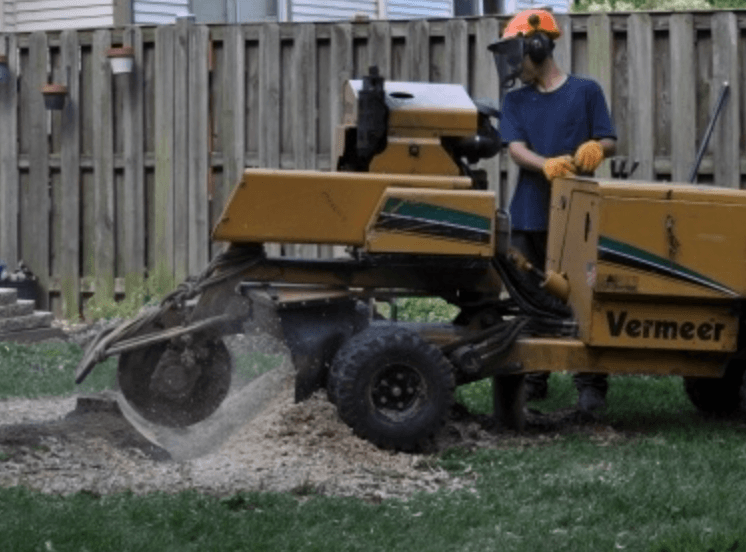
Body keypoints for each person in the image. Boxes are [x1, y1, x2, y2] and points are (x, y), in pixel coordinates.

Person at [490, 9, 617, 413]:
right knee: (531, 298)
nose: (513, 65)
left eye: (517, 54)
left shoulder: (586, 91)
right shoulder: (515, 100)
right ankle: (535, 375)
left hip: (577, 215)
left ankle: (591, 383)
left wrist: (597, 148)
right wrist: (545, 162)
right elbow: (514, 148)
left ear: (538, 45)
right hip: (529, 211)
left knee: (583, 296)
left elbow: (608, 139)